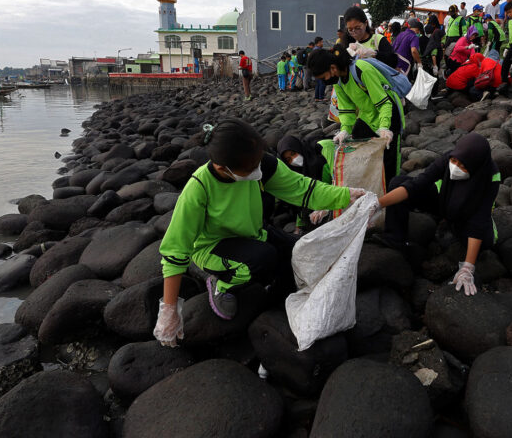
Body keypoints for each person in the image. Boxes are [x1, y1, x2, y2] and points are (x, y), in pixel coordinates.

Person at [154, 119, 364, 335]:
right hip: (212, 246)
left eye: (258, 160)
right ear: (222, 168)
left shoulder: (262, 164)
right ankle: (221, 285)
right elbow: (175, 250)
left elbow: (302, 189)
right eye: (250, 167)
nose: (258, 169)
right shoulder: (199, 188)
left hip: (253, 233)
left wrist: (347, 195)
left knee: (301, 252)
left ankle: (272, 302)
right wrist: (169, 310)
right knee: (263, 258)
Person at [373, 133, 500, 296]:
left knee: (485, 242)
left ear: (475, 166)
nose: (455, 166)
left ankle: (458, 226)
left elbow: (479, 219)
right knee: (398, 182)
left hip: (468, 213)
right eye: (454, 162)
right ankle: (395, 238)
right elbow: (418, 183)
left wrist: (468, 267)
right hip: (445, 202)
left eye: (462, 166)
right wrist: (377, 204)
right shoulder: (451, 157)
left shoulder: (490, 176)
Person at [308, 45, 405, 183]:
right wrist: (345, 130)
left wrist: (384, 127)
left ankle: (390, 195)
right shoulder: (339, 82)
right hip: (367, 117)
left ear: (333, 68)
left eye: (324, 77)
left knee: (389, 164)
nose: (324, 81)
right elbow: (346, 110)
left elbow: (384, 103)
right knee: (363, 155)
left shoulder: (361, 69)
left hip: (389, 115)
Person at [276, 134, 336, 234]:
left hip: (338, 194)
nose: (294, 160)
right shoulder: (296, 173)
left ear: (298, 148)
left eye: (293, 153)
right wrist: (299, 226)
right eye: (288, 159)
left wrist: (328, 207)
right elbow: (301, 198)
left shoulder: (320, 156)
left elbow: (340, 180)